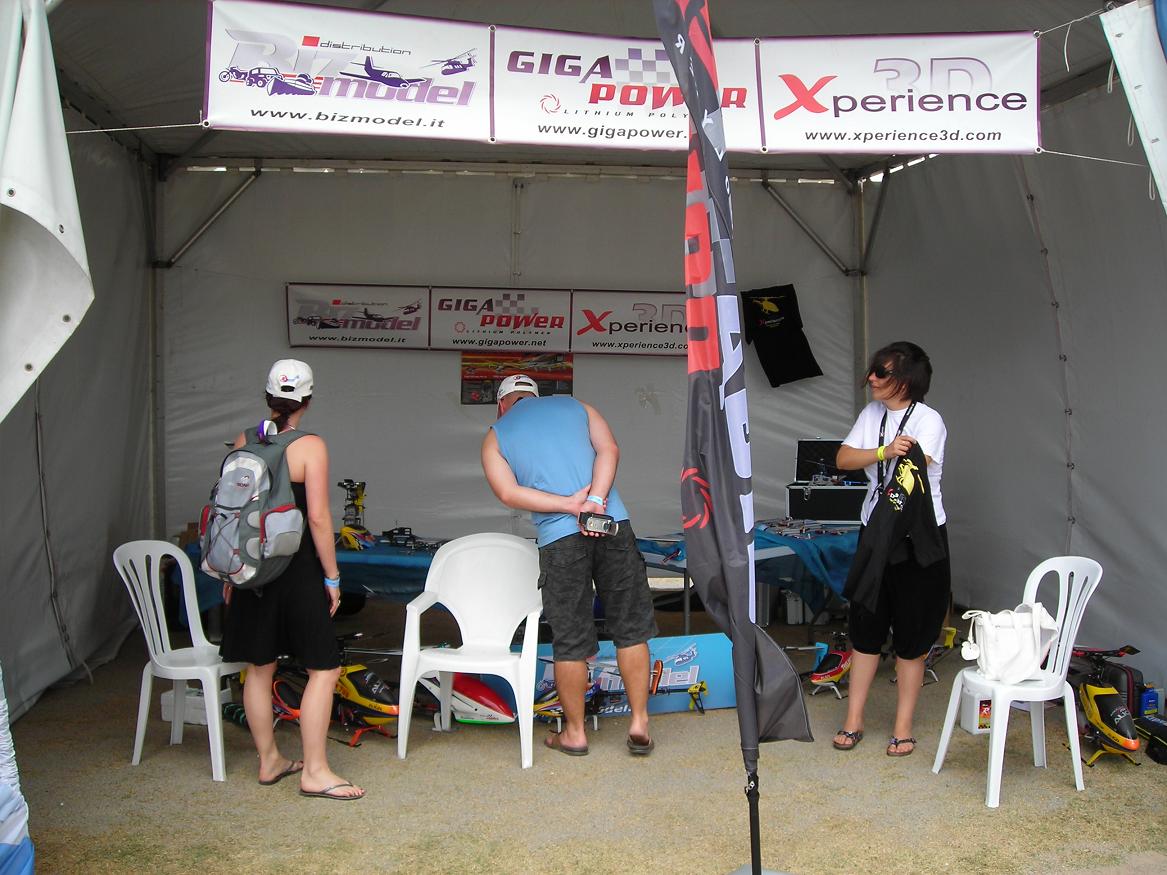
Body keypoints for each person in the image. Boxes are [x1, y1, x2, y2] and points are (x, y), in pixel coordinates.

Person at [481, 375, 658, 757]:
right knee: (630, 627)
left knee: (570, 640)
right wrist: (595, 500)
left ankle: (575, 733)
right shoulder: (578, 407)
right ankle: (639, 722)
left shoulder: (496, 435)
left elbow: (508, 493)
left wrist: (568, 505)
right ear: (536, 395)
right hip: (610, 523)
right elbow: (609, 450)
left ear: (501, 404)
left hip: (560, 539)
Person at [219, 359, 365, 800]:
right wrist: (333, 577)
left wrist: (232, 570)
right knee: (324, 667)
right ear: (308, 400)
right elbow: (318, 518)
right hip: (296, 568)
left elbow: (232, 512)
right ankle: (315, 771)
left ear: (267, 396)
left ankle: (269, 760)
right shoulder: (310, 446)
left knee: (259, 666)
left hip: (250, 568)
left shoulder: (244, 440)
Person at [832, 341, 949, 758]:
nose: (872, 378)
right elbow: (843, 458)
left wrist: (901, 454)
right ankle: (854, 720)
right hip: (875, 532)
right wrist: (883, 450)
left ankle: (903, 727)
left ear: (907, 379)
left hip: (916, 538)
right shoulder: (871, 414)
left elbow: (914, 474)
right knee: (865, 626)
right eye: (873, 370)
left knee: (912, 634)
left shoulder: (929, 420)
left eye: (881, 372)